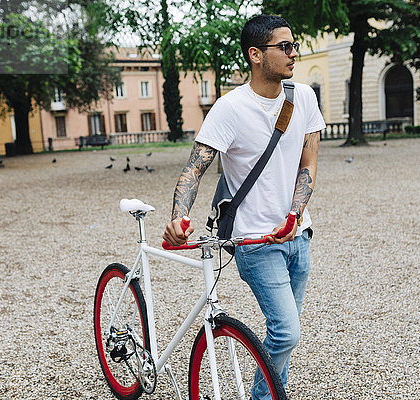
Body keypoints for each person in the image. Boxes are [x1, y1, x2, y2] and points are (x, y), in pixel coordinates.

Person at [163, 14, 325, 398]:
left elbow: (309, 163)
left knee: (284, 337)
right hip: (254, 241)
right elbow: (194, 169)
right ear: (256, 54)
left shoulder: (303, 98)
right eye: (284, 47)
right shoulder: (229, 108)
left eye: (294, 45)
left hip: (298, 236)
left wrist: (294, 215)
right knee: (287, 330)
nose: (294, 54)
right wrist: (178, 219)